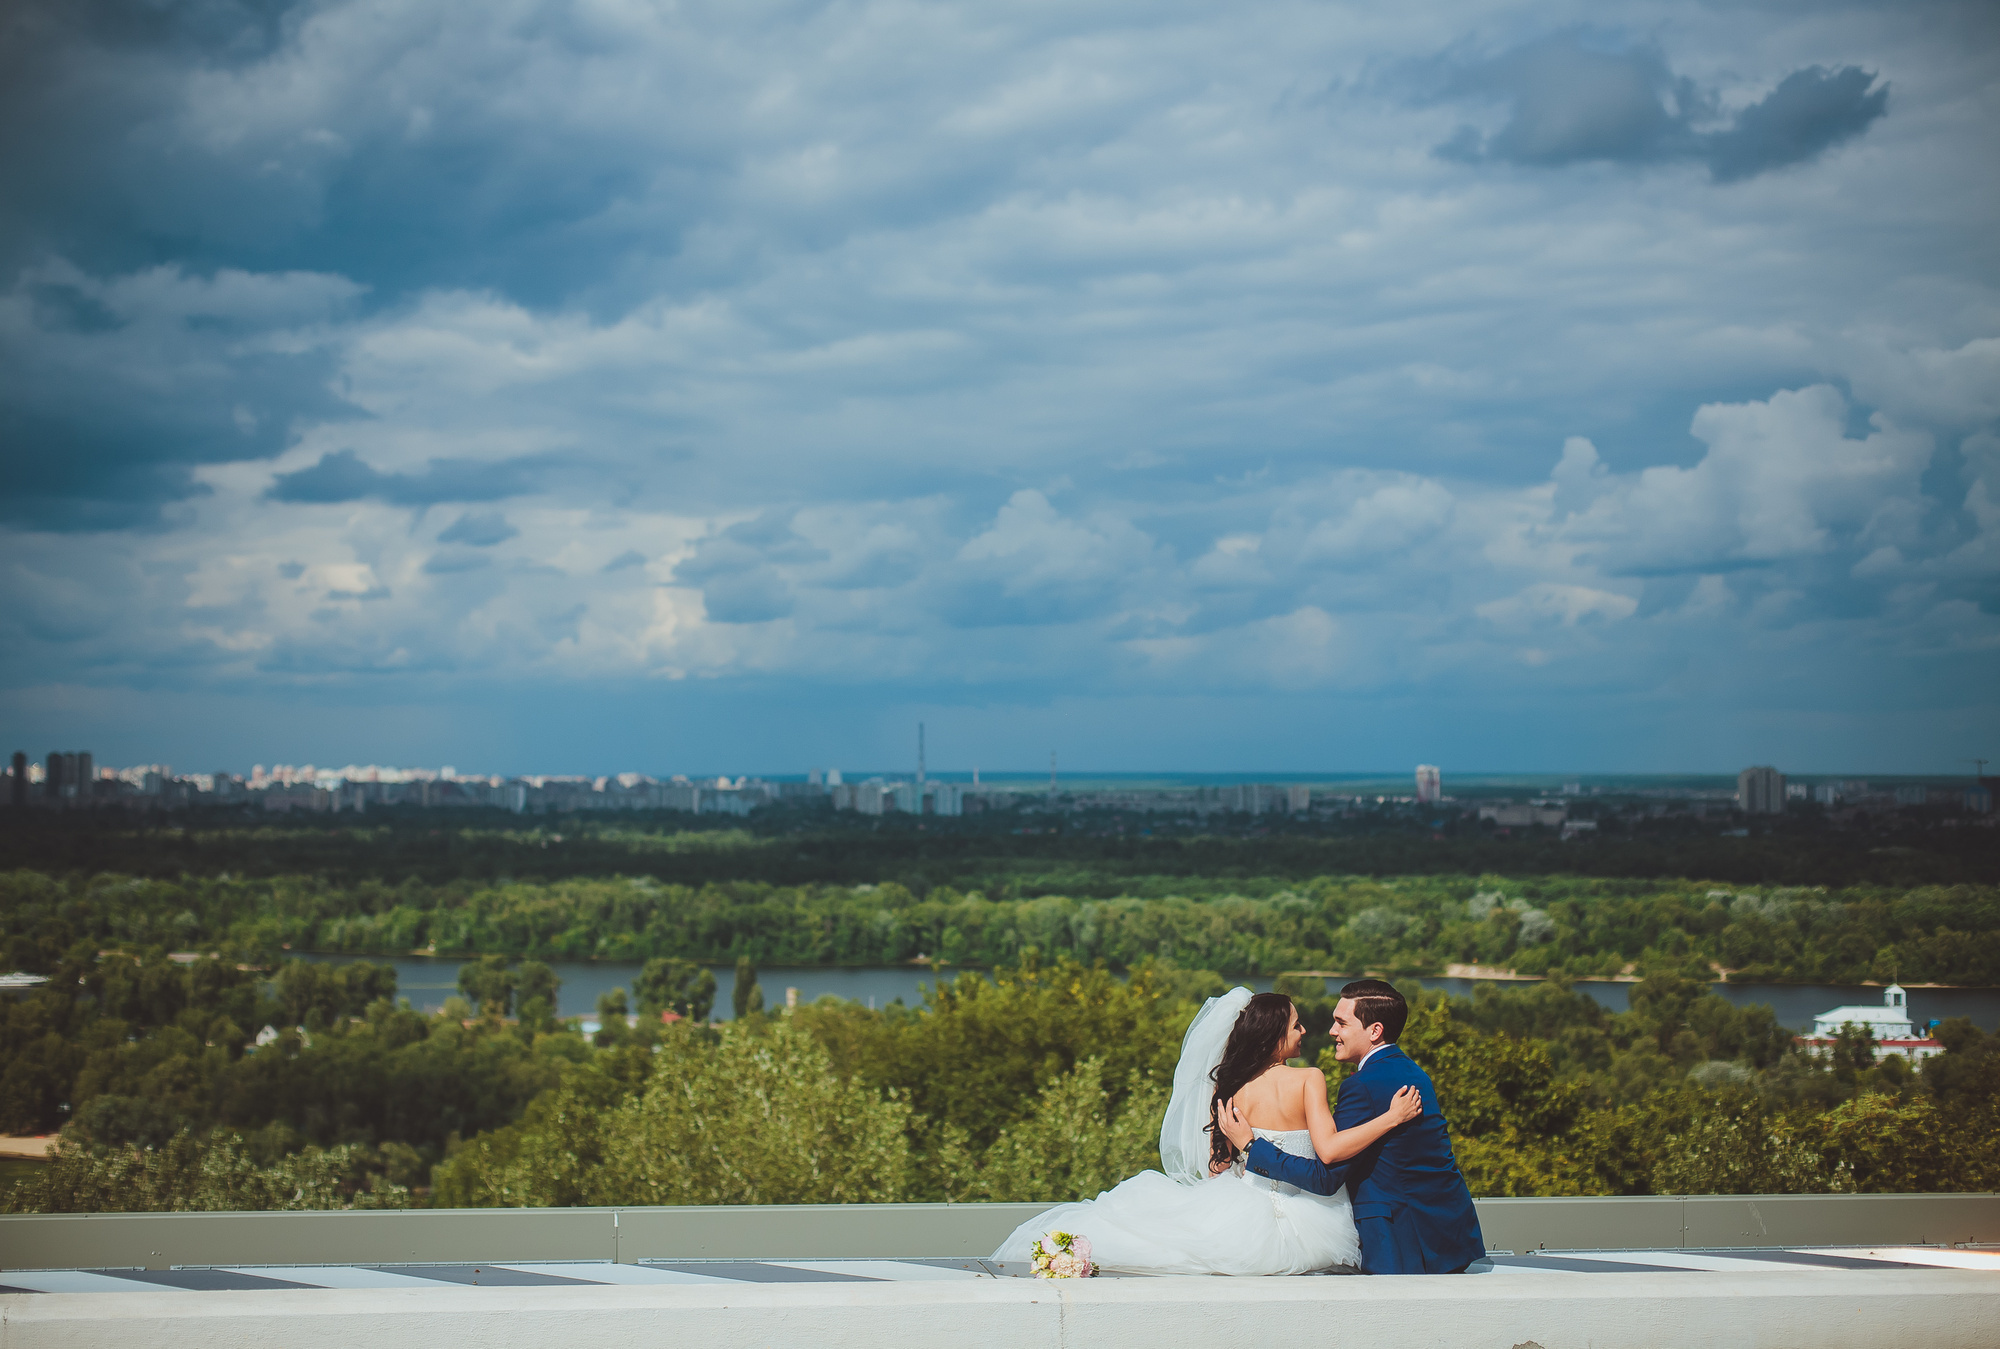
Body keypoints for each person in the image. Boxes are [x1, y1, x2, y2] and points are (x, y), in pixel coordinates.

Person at [990, 988, 1423, 1275]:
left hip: (1243, 1205)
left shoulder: (1230, 1088)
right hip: (1311, 1215)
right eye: (1296, 1025)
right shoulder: (1310, 1079)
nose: (1305, 1031)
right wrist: (1391, 1118)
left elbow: (1220, 1167)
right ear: (1274, 1034)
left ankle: (1064, 1253)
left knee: (1161, 1239)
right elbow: (1328, 1151)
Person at [1217, 979, 1484, 1274]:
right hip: (1446, 1231)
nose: (1332, 1031)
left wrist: (1251, 1147)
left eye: (1341, 1023)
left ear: (1375, 1031)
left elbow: (1325, 1176)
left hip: (1403, 1240)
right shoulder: (1414, 1072)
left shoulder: (1362, 1085)